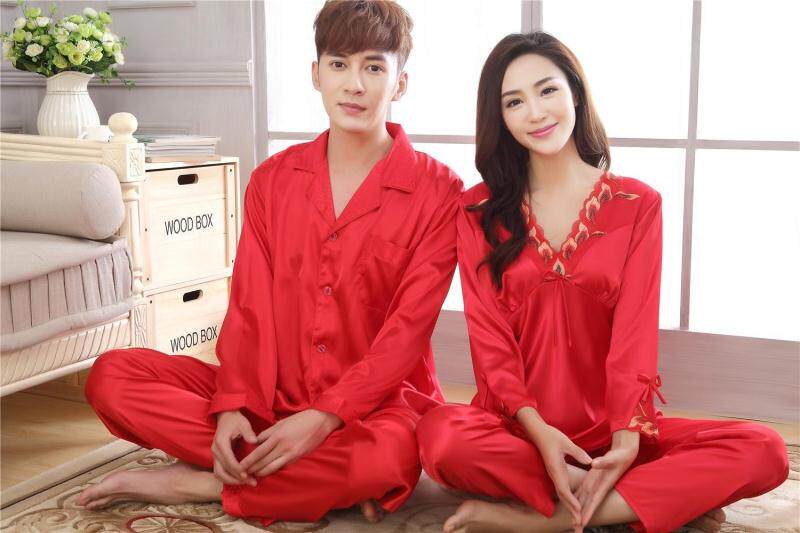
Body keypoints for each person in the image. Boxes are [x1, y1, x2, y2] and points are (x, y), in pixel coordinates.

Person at [76, 1, 463, 527]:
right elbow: (249, 306)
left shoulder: (440, 192)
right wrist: (233, 405)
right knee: (112, 377)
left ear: (400, 83)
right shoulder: (273, 180)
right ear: (316, 74)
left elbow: (406, 334)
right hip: (268, 394)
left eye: (374, 67)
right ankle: (303, 476)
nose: (354, 84)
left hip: (373, 409)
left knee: (386, 458)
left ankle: (206, 482)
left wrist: (325, 417)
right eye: (339, 64)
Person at [415, 32, 789, 533]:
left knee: (763, 449)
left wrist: (627, 439)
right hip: (518, 429)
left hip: (614, 433)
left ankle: (546, 518)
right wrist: (538, 430)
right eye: (514, 101)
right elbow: (491, 347)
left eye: (547, 90)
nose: (535, 112)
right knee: (442, 438)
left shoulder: (637, 205)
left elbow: (634, 338)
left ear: (575, 91)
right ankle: (638, 498)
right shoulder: (477, 211)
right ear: (499, 116)